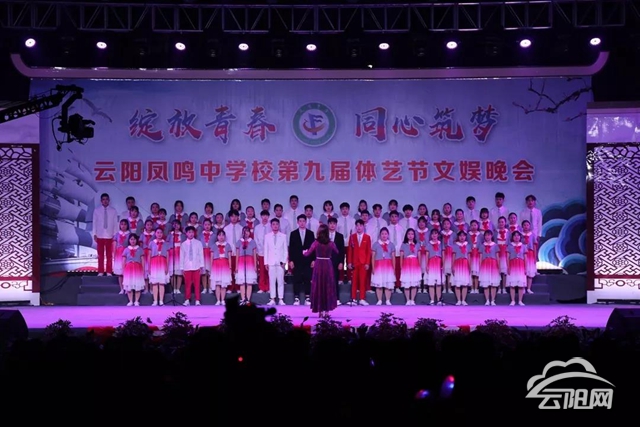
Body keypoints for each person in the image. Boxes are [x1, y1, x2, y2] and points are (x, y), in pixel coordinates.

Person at [303, 224, 339, 316]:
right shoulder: (331, 243)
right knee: (327, 286)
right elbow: (337, 251)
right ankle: (327, 311)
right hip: (328, 265)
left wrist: (303, 252)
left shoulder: (316, 243)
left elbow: (307, 253)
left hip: (318, 264)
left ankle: (320, 311)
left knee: (319, 286)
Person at [289, 215, 316, 305]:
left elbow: (313, 248)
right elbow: (291, 248)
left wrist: (313, 260)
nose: (302, 223)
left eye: (303, 221)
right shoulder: (293, 234)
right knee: (297, 278)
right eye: (300, 221)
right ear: (297, 222)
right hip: (297, 260)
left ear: (306, 222)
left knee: (308, 278)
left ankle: (308, 298)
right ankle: (296, 298)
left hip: (308, 260)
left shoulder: (311, 233)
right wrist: (291, 260)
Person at [92, 193, 118, 277]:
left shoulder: (113, 210)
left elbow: (115, 223)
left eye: (106, 199)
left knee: (109, 255)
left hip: (110, 235)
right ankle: (100, 271)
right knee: (100, 255)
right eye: (103, 199)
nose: (105, 201)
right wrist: (94, 234)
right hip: (100, 235)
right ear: (101, 201)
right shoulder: (97, 210)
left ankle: (109, 271)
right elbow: (94, 222)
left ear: (109, 200)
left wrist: (115, 234)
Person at [347, 219, 372, 306]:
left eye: (360, 225)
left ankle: (362, 298)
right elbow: (350, 250)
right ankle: (353, 298)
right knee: (354, 281)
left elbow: (368, 251)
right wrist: (349, 262)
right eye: (357, 225)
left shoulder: (367, 237)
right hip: (354, 262)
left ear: (363, 227)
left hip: (363, 262)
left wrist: (367, 263)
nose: (359, 227)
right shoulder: (352, 237)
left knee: (362, 281)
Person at [264, 218, 288, 306]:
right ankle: (272, 299)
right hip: (271, 262)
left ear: (279, 225)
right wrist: (266, 262)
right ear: (271, 226)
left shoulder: (283, 236)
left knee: (280, 281)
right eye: (273, 224)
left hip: (280, 262)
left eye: (277, 224)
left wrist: (284, 261)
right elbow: (266, 250)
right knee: (272, 281)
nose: (275, 226)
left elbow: (285, 250)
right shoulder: (267, 236)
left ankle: (281, 299)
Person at [180, 226, 205, 306]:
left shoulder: (198, 243)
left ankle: (197, 300)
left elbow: (201, 254)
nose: (191, 234)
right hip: (187, 267)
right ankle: (187, 299)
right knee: (187, 284)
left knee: (197, 284)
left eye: (192, 232)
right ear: (186, 233)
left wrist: (201, 265)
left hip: (196, 266)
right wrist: (181, 267)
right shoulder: (183, 244)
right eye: (189, 232)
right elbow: (182, 256)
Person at [370, 227, 395, 305]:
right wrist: (373, 268)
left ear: (388, 235)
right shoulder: (376, 244)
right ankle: (379, 300)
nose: (384, 235)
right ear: (380, 235)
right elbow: (373, 257)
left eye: (385, 234)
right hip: (378, 266)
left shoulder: (391, 244)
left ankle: (388, 300)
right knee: (379, 283)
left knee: (388, 283)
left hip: (388, 265)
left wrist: (394, 268)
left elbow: (393, 257)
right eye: (382, 234)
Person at [236, 226, 258, 305]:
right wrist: (236, 266)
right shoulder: (239, 242)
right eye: (244, 231)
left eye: (248, 231)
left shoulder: (252, 241)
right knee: (242, 282)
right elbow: (237, 254)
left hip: (250, 262)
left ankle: (248, 299)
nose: (246, 233)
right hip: (241, 262)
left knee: (249, 282)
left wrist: (255, 265)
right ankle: (243, 299)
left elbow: (254, 254)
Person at [122, 233, 145, 306]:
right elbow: (123, 261)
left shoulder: (140, 249)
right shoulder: (126, 249)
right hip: (129, 268)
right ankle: (130, 301)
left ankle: (137, 301)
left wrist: (143, 269)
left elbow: (142, 260)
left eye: (134, 239)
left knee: (137, 284)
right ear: (129, 240)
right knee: (129, 284)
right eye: (131, 239)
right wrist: (123, 270)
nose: (133, 241)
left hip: (137, 268)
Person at [399, 228, 421, 305]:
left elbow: (419, 256)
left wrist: (419, 265)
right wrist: (401, 266)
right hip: (406, 264)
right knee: (407, 282)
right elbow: (401, 256)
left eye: (412, 234)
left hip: (415, 264)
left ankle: (412, 300)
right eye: (409, 234)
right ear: (406, 235)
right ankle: (408, 300)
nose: (410, 235)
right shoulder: (403, 244)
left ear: (414, 235)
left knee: (414, 282)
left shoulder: (417, 244)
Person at [148, 228, 169, 306]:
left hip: (162, 262)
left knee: (161, 283)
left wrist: (167, 266)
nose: (159, 234)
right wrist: (149, 266)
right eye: (158, 232)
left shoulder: (166, 243)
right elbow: (149, 255)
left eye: (161, 232)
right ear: (155, 233)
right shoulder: (151, 243)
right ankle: (155, 300)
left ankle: (161, 300)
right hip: (154, 263)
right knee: (155, 283)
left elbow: (167, 256)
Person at [211, 230, 232, 306]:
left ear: (225, 236)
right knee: (217, 284)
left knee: (223, 284)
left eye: (223, 235)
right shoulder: (214, 245)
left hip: (225, 265)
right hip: (216, 265)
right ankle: (218, 300)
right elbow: (211, 257)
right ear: (217, 236)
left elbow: (229, 257)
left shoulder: (227, 245)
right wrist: (211, 267)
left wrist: (230, 267)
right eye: (219, 235)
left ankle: (222, 300)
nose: (221, 237)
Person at [327, 217, 345, 306]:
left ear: (336, 225)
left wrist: (341, 262)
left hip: (336, 262)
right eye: (330, 223)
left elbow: (342, 251)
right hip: (325, 261)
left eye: (334, 224)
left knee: (335, 280)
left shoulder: (340, 236)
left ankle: (336, 298)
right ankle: (326, 298)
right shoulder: (324, 235)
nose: (332, 225)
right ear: (328, 225)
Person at [479, 230, 500, 306]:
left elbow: (497, 256)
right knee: (486, 283)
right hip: (485, 264)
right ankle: (487, 300)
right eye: (486, 235)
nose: (487, 237)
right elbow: (481, 257)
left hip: (493, 264)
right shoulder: (482, 246)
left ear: (491, 236)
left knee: (493, 283)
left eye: (489, 235)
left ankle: (493, 300)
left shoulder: (495, 245)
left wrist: (498, 266)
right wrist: (480, 266)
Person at [507, 231, 527, 306]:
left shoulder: (523, 246)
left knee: (520, 284)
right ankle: (512, 300)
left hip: (521, 265)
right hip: (512, 265)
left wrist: (525, 268)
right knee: (512, 284)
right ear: (512, 237)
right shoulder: (509, 246)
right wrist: (508, 267)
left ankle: (520, 301)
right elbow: (507, 257)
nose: (516, 237)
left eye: (518, 235)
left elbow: (525, 258)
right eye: (515, 235)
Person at [451, 230, 471, 306]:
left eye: (463, 236)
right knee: (457, 283)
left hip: (465, 264)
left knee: (464, 283)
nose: (462, 237)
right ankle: (459, 300)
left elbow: (469, 256)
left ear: (465, 237)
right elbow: (453, 256)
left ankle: (463, 300)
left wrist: (470, 265)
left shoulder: (468, 245)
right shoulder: (455, 245)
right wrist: (452, 265)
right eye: (460, 236)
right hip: (457, 264)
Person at [425, 229, 443, 305]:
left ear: (438, 235)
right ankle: (432, 299)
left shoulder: (441, 244)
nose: (434, 235)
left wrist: (443, 264)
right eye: (433, 234)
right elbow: (427, 255)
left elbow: (443, 254)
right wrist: (426, 265)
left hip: (438, 262)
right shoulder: (429, 244)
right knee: (431, 283)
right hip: (431, 263)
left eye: (436, 233)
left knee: (438, 283)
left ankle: (439, 300)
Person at [113, 219, 130, 295]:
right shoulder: (117, 234)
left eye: (125, 224)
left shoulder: (129, 234)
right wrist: (114, 255)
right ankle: (122, 288)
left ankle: (127, 288)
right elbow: (114, 245)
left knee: (127, 272)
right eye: (122, 224)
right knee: (120, 273)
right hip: (119, 254)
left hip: (127, 253)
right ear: (120, 225)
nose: (123, 226)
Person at [200, 219, 214, 294]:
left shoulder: (214, 235)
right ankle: (205, 288)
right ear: (203, 225)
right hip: (202, 253)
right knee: (204, 272)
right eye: (205, 225)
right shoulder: (200, 235)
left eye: (208, 224)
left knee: (210, 272)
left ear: (211, 225)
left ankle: (210, 287)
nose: (207, 226)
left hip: (211, 254)